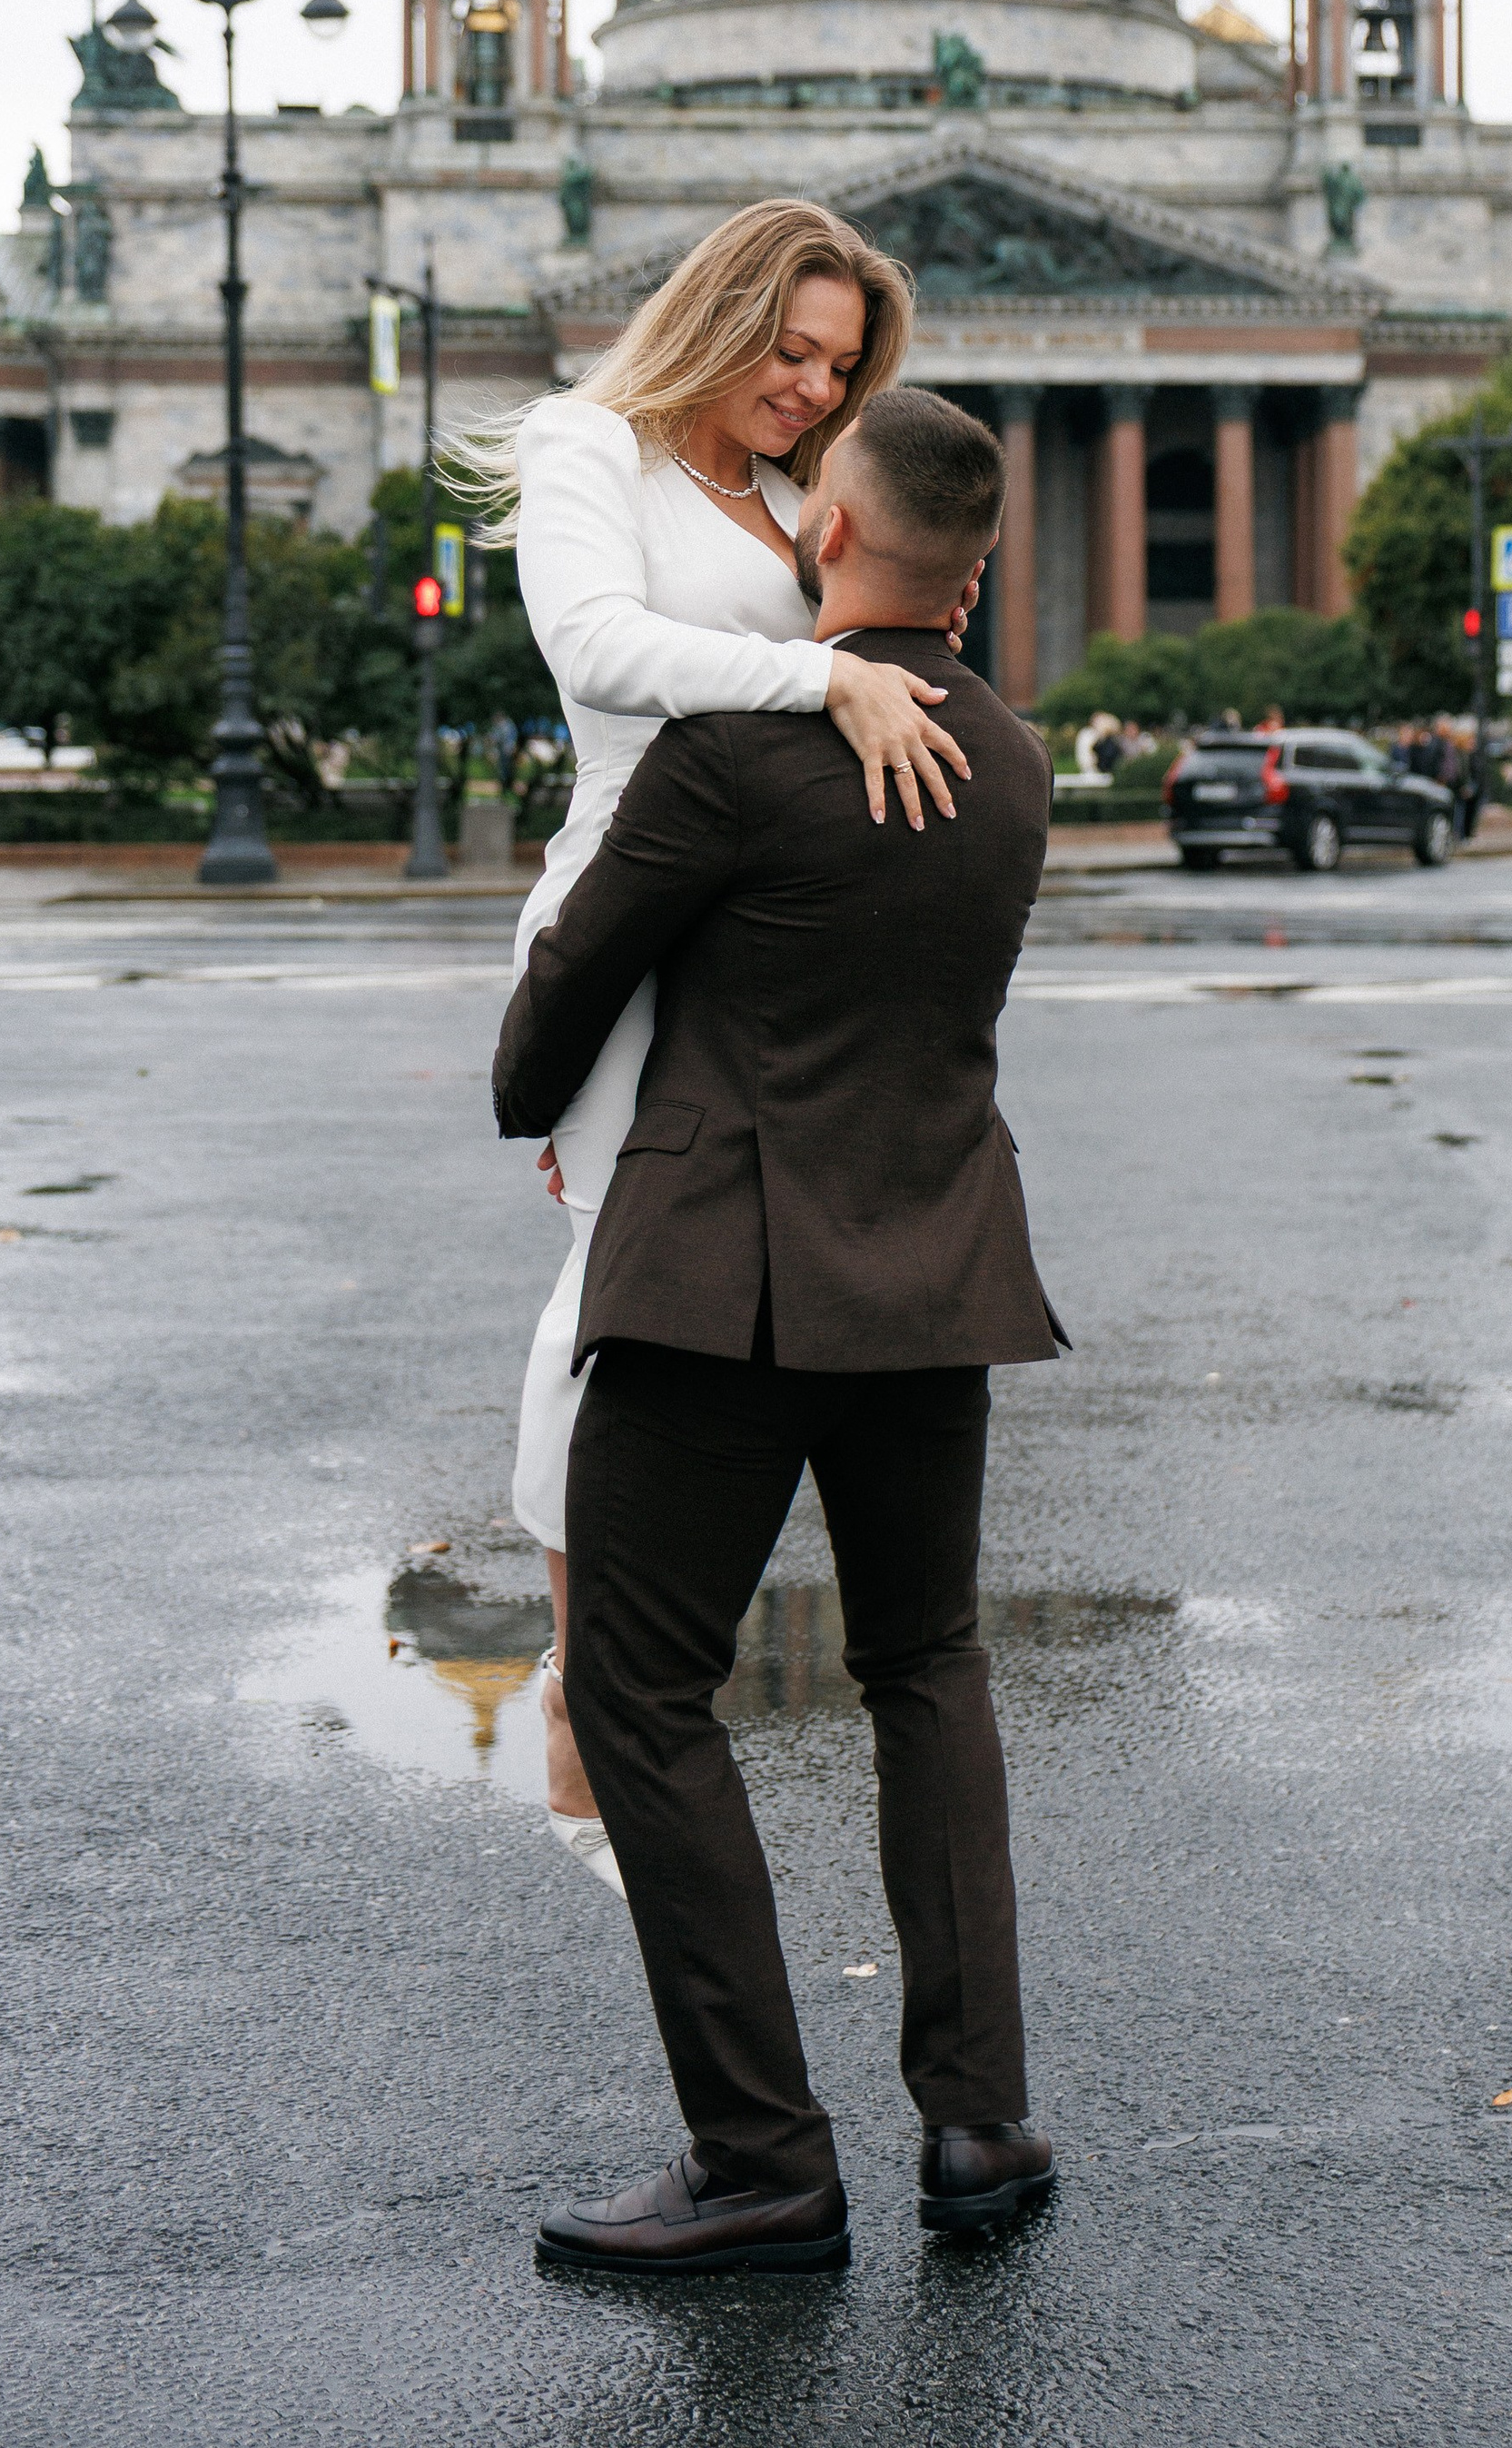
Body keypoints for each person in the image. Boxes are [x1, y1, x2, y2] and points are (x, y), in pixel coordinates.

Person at [493, 388, 1060, 2276]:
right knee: (929, 1670)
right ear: (976, 571)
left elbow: (553, 1018)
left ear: (826, 535)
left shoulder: (728, 755)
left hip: (714, 1293)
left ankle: (760, 2161)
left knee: (640, 1696)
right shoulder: (1015, 761)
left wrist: (544, 1087)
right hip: (933, 1278)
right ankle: (977, 2125)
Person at [443, 201, 980, 1890]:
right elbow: (597, 650)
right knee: (618, 1288)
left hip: (762, 931)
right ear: (721, 310)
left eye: (839, 369)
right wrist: (821, 686)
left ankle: (619, 1678)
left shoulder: (791, 494)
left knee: (714, 1296)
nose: (811, 389)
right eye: (791, 348)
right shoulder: (587, 444)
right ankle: (586, 1692)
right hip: (626, 902)